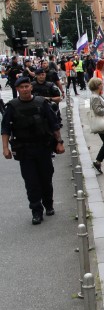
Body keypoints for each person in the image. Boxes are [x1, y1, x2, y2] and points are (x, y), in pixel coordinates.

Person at [2, 77, 65, 224]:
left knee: (46, 178)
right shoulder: (12, 106)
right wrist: (5, 148)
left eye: (26, 86)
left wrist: (59, 143)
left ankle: (48, 204)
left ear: (31, 87)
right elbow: (5, 129)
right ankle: (36, 211)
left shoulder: (41, 103)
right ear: (17, 89)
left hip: (43, 147)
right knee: (31, 182)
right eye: (21, 87)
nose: (24, 89)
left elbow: (53, 124)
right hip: (25, 150)